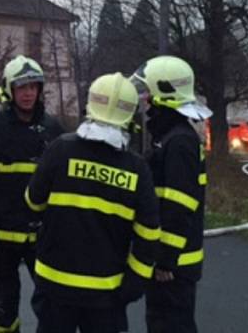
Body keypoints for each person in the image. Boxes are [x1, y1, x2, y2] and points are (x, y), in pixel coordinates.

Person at [25, 73, 160, 333]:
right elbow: (149, 234)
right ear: (129, 115)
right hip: (106, 294)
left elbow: (33, 202)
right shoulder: (137, 168)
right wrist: (135, 283)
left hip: (54, 285)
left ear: (90, 105)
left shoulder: (60, 149)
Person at [0, 55, 65, 333]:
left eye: (33, 87)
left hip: (42, 236)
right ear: (8, 90)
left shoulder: (53, 128)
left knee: (52, 304)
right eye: (22, 87)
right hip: (0, 236)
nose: (28, 93)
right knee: (2, 307)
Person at [131, 55, 210, 333]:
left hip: (175, 264)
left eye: (148, 92)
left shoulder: (179, 142)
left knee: (172, 326)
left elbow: (179, 204)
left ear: (164, 95)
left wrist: (166, 258)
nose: (144, 99)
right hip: (171, 259)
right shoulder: (170, 137)